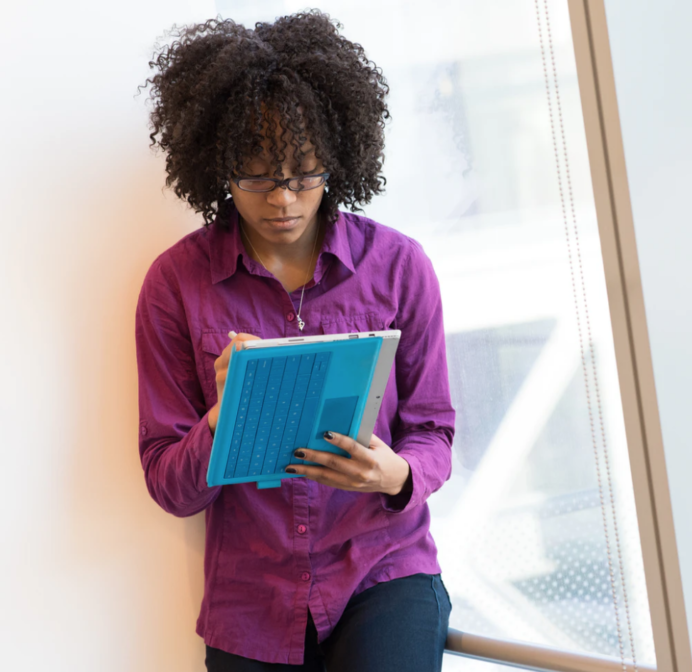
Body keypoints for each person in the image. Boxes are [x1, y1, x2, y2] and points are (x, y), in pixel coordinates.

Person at [135, 12, 454, 671]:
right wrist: (224, 418)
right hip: (251, 602)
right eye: (255, 176)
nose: (282, 199)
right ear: (218, 166)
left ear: (337, 159)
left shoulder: (400, 267)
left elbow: (434, 431)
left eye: (304, 173)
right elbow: (169, 484)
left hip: (382, 570)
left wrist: (395, 474)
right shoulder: (175, 284)